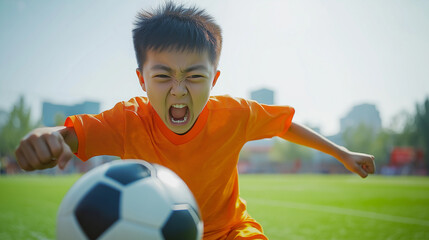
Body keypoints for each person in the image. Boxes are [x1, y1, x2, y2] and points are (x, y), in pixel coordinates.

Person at [15, 2, 375, 239]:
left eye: (194, 76)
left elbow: (284, 125)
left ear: (214, 79)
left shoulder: (234, 114)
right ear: (141, 80)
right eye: (162, 76)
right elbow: (67, 135)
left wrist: (341, 151)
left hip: (231, 232)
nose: (179, 91)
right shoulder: (127, 121)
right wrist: (42, 137)